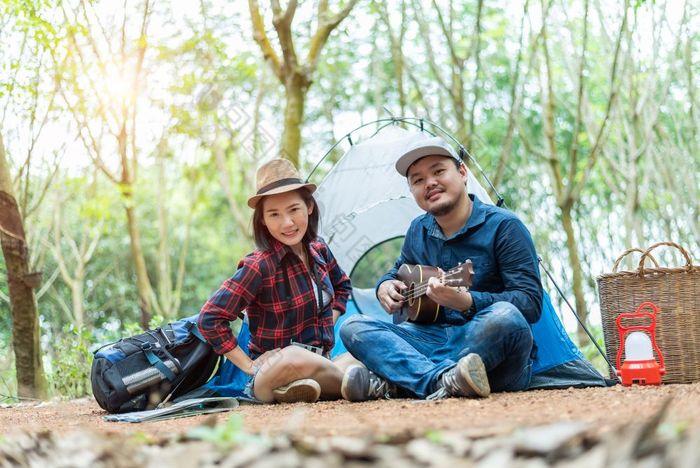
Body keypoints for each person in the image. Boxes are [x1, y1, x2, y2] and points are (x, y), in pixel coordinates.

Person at [339, 136, 543, 401]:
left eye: (438, 171)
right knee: (353, 326)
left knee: (505, 317)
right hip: (430, 339)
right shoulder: (418, 229)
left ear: (462, 173)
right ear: (412, 191)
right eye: (418, 180)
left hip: (488, 347)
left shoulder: (505, 227)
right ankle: (441, 379)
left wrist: (468, 302)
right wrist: (385, 286)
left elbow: (529, 302)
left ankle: (402, 382)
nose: (430, 183)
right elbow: (398, 269)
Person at [198, 158, 353, 403]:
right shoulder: (259, 265)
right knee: (293, 356)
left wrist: (326, 322)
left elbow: (343, 286)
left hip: (321, 361)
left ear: (309, 206)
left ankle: (316, 386)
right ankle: (351, 383)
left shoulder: (318, 249)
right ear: (262, 220)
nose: (287, 223)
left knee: (361, 341)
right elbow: (210, 318)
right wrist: (250, 366)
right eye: (274, 214)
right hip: (275, 371)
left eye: (294, 209)